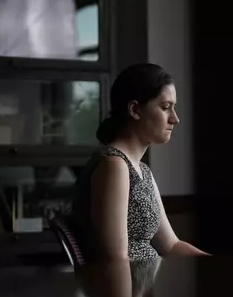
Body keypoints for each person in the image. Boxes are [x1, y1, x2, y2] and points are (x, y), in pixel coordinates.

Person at [70, 63, 208, 261]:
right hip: (134, 289)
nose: (175, 119)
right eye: (165, 107)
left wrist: (218, 264)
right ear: (135, 110)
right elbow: (115, 259)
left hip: (151, 285)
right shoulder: (114, 165)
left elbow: (170, 245)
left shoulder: (142, 170)